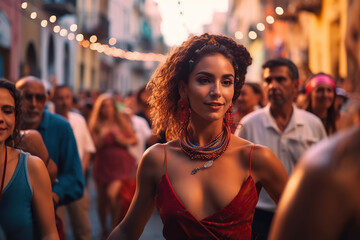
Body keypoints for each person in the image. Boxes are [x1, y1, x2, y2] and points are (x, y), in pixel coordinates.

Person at [107, 33, 288, 240]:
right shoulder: (157, 160)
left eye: (226, 82)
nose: (217, 91)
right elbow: (127, 230)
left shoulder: (256, 158)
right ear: (183, 88)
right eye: (204, 80)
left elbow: (302, 222)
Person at [269, 0, 360, 239]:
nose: (326, 95)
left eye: (330, 91)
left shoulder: (343, 123)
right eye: (320, 90)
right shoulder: (328, 168)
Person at [235, 58, 327, 240]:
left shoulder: (312, 124)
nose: (273, 86)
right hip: (260, 217)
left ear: (295, 86)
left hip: (303, 215)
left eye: (280, 80)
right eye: (268, 80)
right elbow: (237, 174)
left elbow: (324, 173)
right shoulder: (249, 125)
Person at [0, 78, 59, 240]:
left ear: (16, 118)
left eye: (7, 110)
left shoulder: (32, 167)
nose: (1, 118)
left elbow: (50, 234)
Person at [15, 76, 84, 210]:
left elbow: (74, 176)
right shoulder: (6, 126)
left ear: (46, 99)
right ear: (16, 99)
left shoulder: (61, 127)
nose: (33, 103)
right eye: (27, 97)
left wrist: (52, 196)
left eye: (39, 98)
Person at [88, 93, 138, 238]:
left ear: (114, 108)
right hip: (103, 164)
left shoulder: (121, 122)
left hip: (121, 164)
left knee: (112, 195)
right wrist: (102, 138)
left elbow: (133, 140)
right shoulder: (96, 125)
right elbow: (93, 148)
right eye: (103, 106)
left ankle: (115, 227)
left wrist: (123, 140)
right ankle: (104, 227)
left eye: (109, 105)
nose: (107, 109)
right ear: (99, 108)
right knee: (102, 199)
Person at [53, 85, 96, 240]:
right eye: (60, 98)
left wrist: (80, 172)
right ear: (53, 99)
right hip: (53, 183)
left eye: (67, 97)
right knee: (57, 227)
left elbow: (88, 148)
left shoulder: (78, 120)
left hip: (76, 180)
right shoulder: (48, 119)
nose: (64, 102)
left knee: (83, 227)